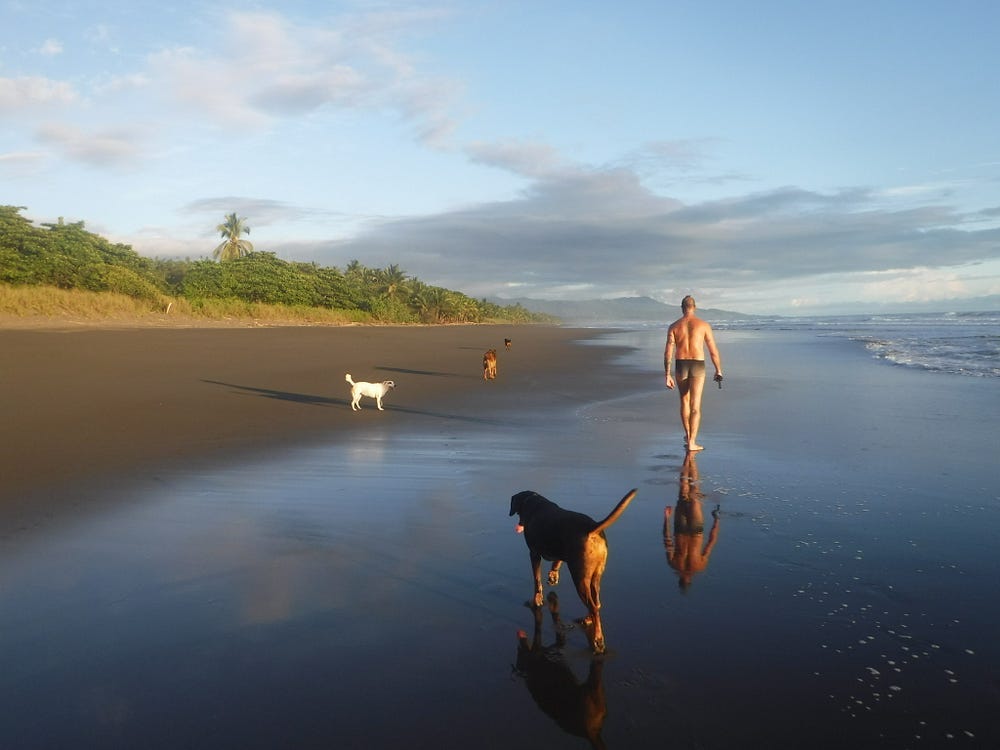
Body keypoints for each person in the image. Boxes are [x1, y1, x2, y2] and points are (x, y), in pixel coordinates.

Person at [664, 295, 722, 452]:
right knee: (695, 406)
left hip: (681, 364)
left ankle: (688, 435)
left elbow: (668, 351)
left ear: (682, 308)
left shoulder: (674, 326)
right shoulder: (703, 325)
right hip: (697, 364)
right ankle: (692, 442)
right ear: (694, 307)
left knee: (684, 402)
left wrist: (667, 374)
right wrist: (718, 370)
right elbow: (713, 351)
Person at [663, 453, 720, 593]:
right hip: (689, 530)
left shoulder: (678, 565)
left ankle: (689, 458)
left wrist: (716, 521)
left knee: (688, 494)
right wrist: (666, 519)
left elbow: (668, 542)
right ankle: (690, 459)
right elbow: (667, 541)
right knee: (690, 494)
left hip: (687, 530)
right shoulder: (696, 566)